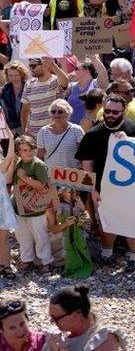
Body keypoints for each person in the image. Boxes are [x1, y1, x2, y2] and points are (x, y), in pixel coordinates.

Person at [75, 93, 135, 270]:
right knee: (106, 222)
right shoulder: (93, 134)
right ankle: (107, 252)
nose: (110, 115)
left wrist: (130, 144)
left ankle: (134, 258)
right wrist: (92, 190)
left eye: (115, 112)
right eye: (107, 111)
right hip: (103, 187)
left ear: (123, 112)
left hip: (133, 187)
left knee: (133, 222)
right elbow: (86, 164)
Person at [2, 136, 53, 272]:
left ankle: (45, 260)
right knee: (22, 235)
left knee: (40, 235)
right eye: (24, 150)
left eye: (31, 149)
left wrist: (25, 178)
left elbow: (42, 186)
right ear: (18, 152)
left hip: (37, 209)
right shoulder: (18, 164)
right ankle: (26, 259)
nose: (28, 152)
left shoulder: (38, 165)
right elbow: (9, 180)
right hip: (20, 206)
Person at [36, 99, 85, 170]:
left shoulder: (76, 130)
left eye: (60, 112)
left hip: (71, 176)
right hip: (51, 176)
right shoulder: (43, 131)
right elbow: (40, 156)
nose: (56, 114)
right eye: (53, 112)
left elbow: (84, 155)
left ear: (67, 113)